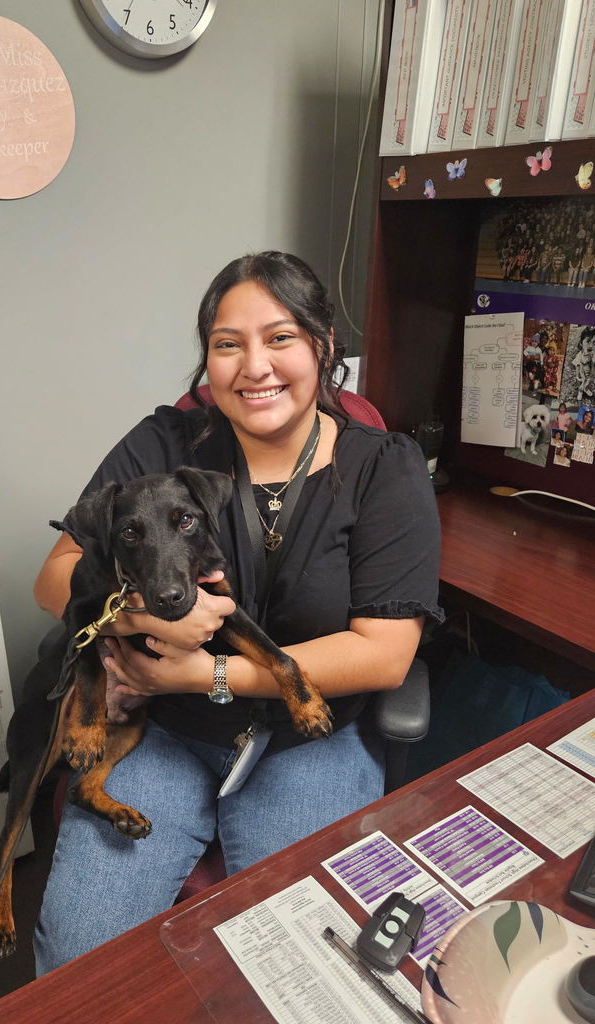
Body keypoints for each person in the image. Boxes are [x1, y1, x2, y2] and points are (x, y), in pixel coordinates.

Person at [31, 251, 443, 973]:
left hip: (306, 739)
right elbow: (56, 575)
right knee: (77, 957)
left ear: (322, 345)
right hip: (165, 732)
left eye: (280, 338)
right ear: (208, 360)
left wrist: (203, 675)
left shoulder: (384, 468)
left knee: (301, 963)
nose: (255, 366)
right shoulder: (163, 443)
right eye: (228, 345)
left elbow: (384, 654)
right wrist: (136, 621)